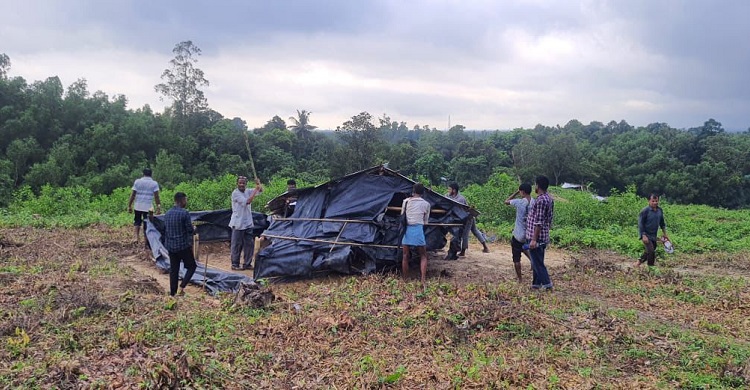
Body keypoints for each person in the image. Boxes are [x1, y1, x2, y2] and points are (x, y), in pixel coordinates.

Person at [163, 192, 197, 297]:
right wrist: (194, 229)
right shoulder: (184, 213)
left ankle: (173, 293)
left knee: (174, 269)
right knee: (192, 267)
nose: (186, 202)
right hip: (183, 246)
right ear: (181, 200)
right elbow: (189, 230)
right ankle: (181, 288)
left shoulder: (167, 213)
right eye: (185, 200)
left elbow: (165, 230)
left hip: (170, 246)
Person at [445, 182, 489, 259]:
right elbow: (443, 198)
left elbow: (461, 212)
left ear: (454, 190)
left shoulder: (460, 199)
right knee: (475, 231)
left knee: (465, 234)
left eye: (450, 189)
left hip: (467, 218)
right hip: (466, 217)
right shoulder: (450, 196)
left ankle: (463, 252)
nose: (448, 191)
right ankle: (486, 247)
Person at [526, 176, 554, 290]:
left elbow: (539, 221)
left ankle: (547, 285)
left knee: (537, 263)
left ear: (538, 185)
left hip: (537, 236)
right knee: (537, 260)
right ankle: (536, 284)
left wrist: (533, 239)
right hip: (543, 235)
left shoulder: (541, 200)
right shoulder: (549, 198)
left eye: (535, 185)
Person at [229, 176, 263, 271]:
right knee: (236, 244)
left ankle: (247, 263)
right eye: (240, 183)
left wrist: (258, 184)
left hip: (247, 222)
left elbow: (260, 191)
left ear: (246, 184)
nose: (242, 185)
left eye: (243, 183)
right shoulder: (235, 193)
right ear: (237, 184)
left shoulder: (247, 191)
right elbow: (247, 201)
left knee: (249, 244)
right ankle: (235, 264)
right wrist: (255, 190)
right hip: (238, 223)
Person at [401, 183, 432, 285]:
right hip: (418, 229)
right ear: (423, 192)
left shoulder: (405, 202)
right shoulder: (426, 204)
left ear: (413, 191)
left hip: (407, 230)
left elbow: (402, 216)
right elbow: (426, 221)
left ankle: (405, 278)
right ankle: (423, 279)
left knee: (405, 255)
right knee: (423, 255)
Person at [504, 183, 534, 282]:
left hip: (518, 234)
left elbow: (506, 201)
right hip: (530, 233)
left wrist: (516, 192)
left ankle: (520, 278)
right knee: (523, 247)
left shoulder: (519, 202)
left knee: (516, 257)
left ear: (522, 192)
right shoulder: (534, 202)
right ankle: (532, 261)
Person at [127, 168, 161, 243]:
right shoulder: (154, 183)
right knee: (147, 223)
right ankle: (146, 239)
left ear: (143, 174)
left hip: (138, 205)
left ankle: (136, 237)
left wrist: (129, 205)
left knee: (137, 221)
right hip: (148, 207)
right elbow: (156, 196)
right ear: (151, 174)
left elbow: (133, 194)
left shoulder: (137, 181)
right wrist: (158, 206)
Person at [637, 193, 669, 267]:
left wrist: (665, 234)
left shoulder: (660, 210)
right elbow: (641, 224)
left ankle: (639, 261)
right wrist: (643, 235)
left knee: (651, 249)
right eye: (653, 201)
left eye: (656, 201)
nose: (655, 203)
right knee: (651, 251)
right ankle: (651, 268)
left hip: (653, 235)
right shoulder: (645, 211)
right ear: (649, 201)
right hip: (646, 234)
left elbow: (662, 223)